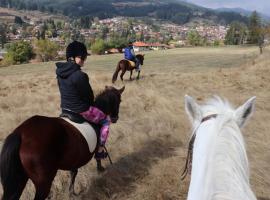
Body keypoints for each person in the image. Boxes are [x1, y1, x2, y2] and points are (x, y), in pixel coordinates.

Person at [55, 41, 110, 166]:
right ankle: (100, 150)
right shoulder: (80, 75)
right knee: (106, 120)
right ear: (73, 57)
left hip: (65, 108)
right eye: (82, 57)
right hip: (81, 110)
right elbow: (89, 97)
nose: (84, 60)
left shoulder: (59, 73)